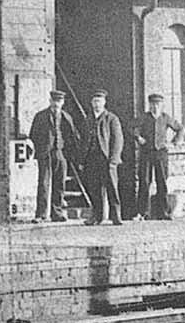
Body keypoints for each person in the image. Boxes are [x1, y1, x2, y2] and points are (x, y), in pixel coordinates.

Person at [28, 90, 78, 223]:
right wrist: (41, 148)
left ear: (62, 103)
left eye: (59, 101)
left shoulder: (67, 117)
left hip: (60, 153)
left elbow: (72, 136)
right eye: (54, 101)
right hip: (45, 153)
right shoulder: (41, 116)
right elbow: (33, 134)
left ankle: (57, 212)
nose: (56, 104)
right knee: (44, 183)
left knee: (59, 184)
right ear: (50, 101)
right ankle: (41, 214)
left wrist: (67, 152)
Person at [134, 93, 184, 220]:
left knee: (162, 182)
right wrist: (138, 137)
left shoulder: (165, 118)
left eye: (157, 105)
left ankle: (164, 212)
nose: (155, 107)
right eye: (152, 105)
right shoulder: (144, 118)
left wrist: (176, 142)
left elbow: (180, 129)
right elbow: (132, 128)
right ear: (149, 105)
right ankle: (142, 212)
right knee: (144, 181)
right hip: (146, 152)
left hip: (161, 153)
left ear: (161, 106)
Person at [82, 89, 124, 225]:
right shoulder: (87, 119)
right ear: (91, 103)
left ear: (104, 102)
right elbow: (82, 140)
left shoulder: (111, 118)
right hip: (91, 158)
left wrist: (114, 159)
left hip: (107, 159)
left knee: (112, 187)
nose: (97, 104)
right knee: (94, 189)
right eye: (94, 101)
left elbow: (118, 140)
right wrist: (82, 160)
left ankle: (116, 216)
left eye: (99, 101)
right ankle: (97, 217)